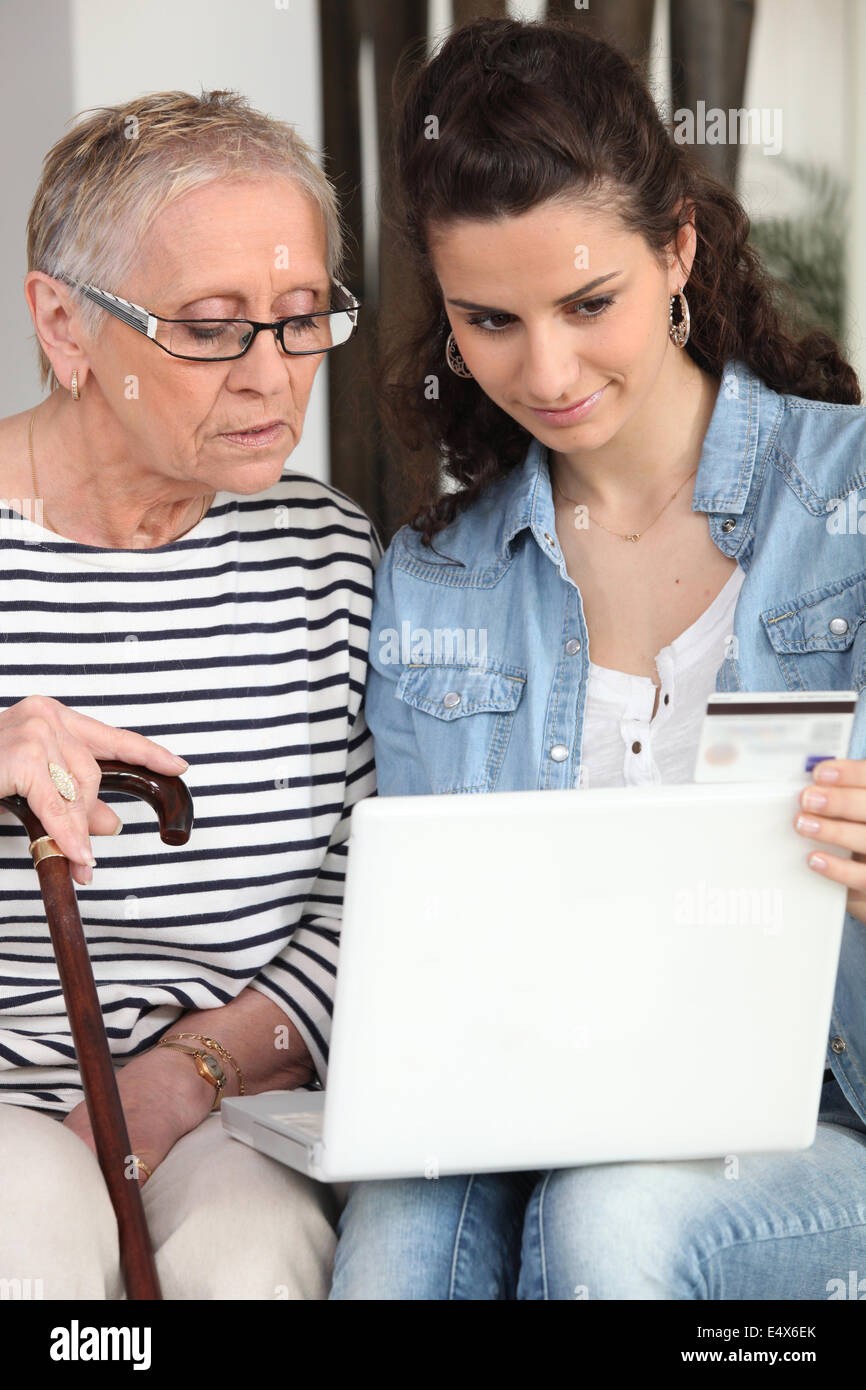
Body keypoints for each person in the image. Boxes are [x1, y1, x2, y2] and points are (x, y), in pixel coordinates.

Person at [329, 16, 866, 1300]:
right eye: (490, 320)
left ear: (675, 246)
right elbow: (440, 950)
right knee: (400, 1236)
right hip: (525, 1109)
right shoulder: (436, 575)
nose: (547, 369)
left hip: (816, 1117)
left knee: (613, 1217)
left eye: (588, 305)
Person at [0, 88, 378, 1299]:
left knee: (257, 1254)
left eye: (301, 319)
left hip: (222, 1095)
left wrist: (192, 1072)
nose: (273, 377)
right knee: (34, 1228)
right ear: (64, 326)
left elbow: (367, 893)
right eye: (212, 330)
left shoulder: (327, 559)